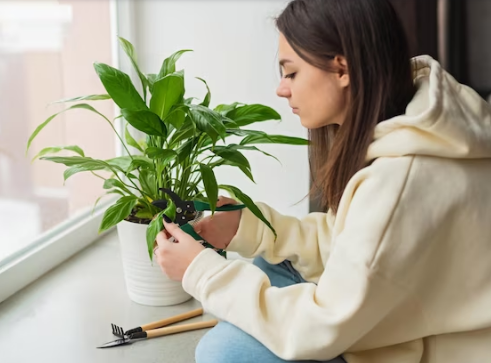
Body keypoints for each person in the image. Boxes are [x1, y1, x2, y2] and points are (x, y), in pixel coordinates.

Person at [153, 0, 491, 362]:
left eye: (292, 73)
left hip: (421, 345)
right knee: (272, 260)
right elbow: (348, 241)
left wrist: (201, 273)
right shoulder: (415, 119)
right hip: (396, 306)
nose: (281, 89)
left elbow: (322, 324)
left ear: (341, 68)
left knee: (224, 351)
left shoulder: (399, 182)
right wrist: (248, 227)